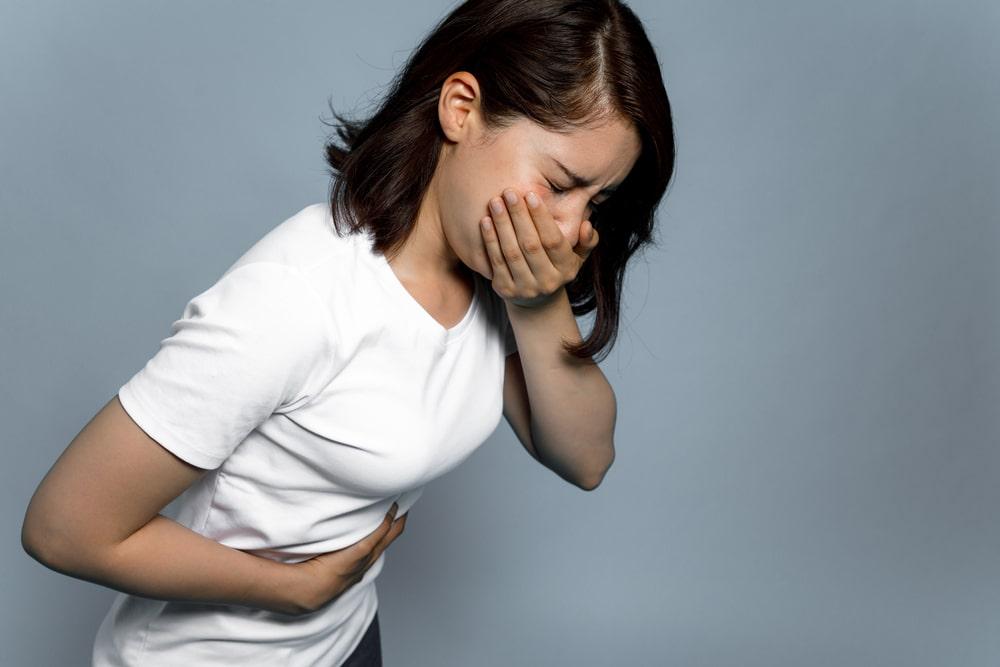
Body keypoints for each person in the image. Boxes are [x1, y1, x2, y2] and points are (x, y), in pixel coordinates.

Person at [20, 0, 675, 664]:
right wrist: (288, 589)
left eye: (595, 201)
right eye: (559, 183)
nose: (570, 231)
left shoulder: (496, 281)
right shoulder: (297, 297)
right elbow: (64, 527)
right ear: (460, 108)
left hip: (347, 639)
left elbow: (585, 458)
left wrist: (539, 306)